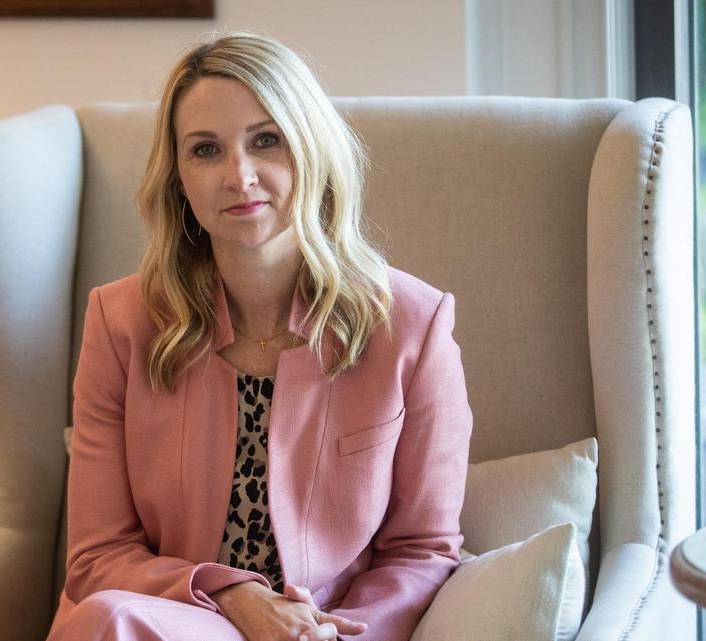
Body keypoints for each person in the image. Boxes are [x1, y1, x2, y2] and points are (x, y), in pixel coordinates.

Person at [47, 32, 472, 641]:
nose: (238, 176)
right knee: (109, 620)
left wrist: (328, 635)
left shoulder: (413, 323)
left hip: (330, 630)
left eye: (265, 140)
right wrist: (232, 593)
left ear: (311, 150)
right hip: (169, 622)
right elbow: (97, 557)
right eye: (205, 150)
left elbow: (423, 549)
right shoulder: (120, 323)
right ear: (180, 181)